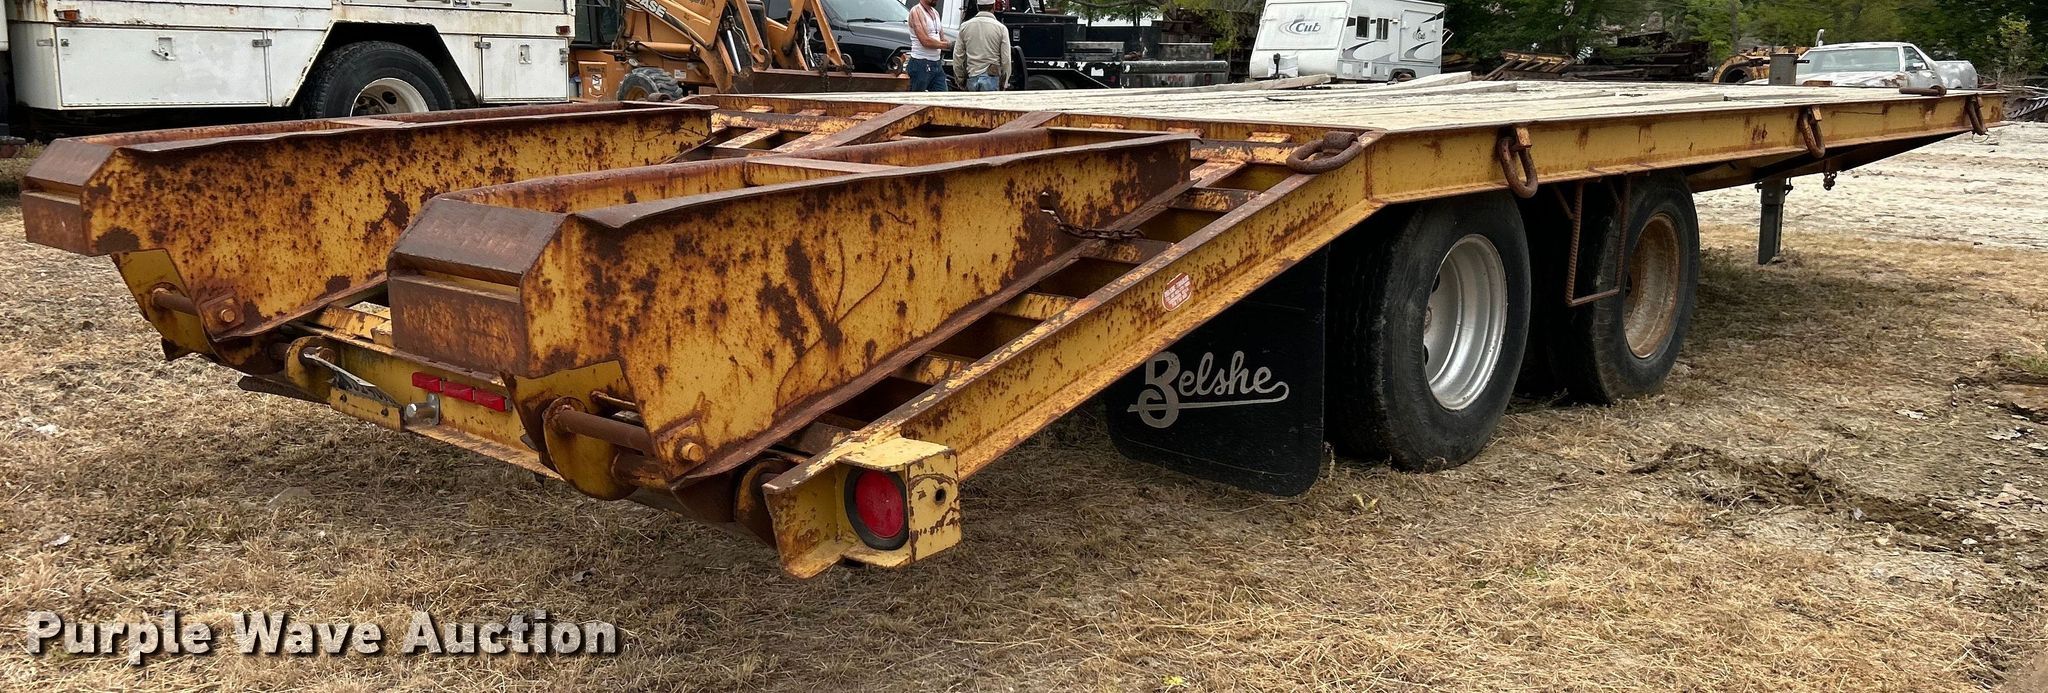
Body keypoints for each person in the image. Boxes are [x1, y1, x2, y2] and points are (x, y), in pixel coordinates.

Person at [954, 0, 1011, 92]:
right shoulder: (1001, 29)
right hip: (992, 79)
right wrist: (1004, 81)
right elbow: (1006, 58)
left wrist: (960, 78)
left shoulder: (965, 26)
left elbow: (958, 56)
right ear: (993, 6)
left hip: (971, 76)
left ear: (977, 6)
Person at [906, 0, 953, 91]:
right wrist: (949, 45)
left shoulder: (935, 13)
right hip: (920, 63)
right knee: (916, 98)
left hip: (936, 63)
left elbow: (942, 38)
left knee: (942, 97)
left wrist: (958, 45)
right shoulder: (916, 11)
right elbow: (925, 41)